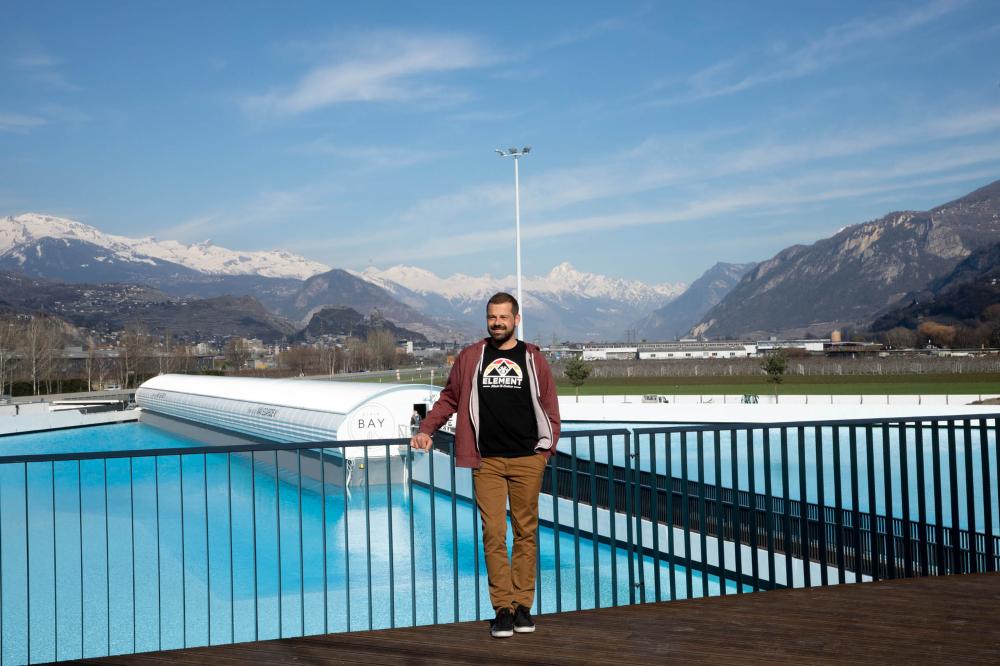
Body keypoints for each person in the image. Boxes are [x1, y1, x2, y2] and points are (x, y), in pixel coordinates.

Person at [410, 292, 561, 638]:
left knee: (526, 533)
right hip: (487, 461)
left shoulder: (533, 359)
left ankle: (523, 606)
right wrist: (426, 429)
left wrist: (545, 451)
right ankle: (503, 610)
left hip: (527, 459)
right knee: (493, 533)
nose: (497, 323)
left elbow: (550, 407)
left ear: (516, 319)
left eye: (503, 317)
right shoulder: (471, 358)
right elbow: (449, 397)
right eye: (492, 317)